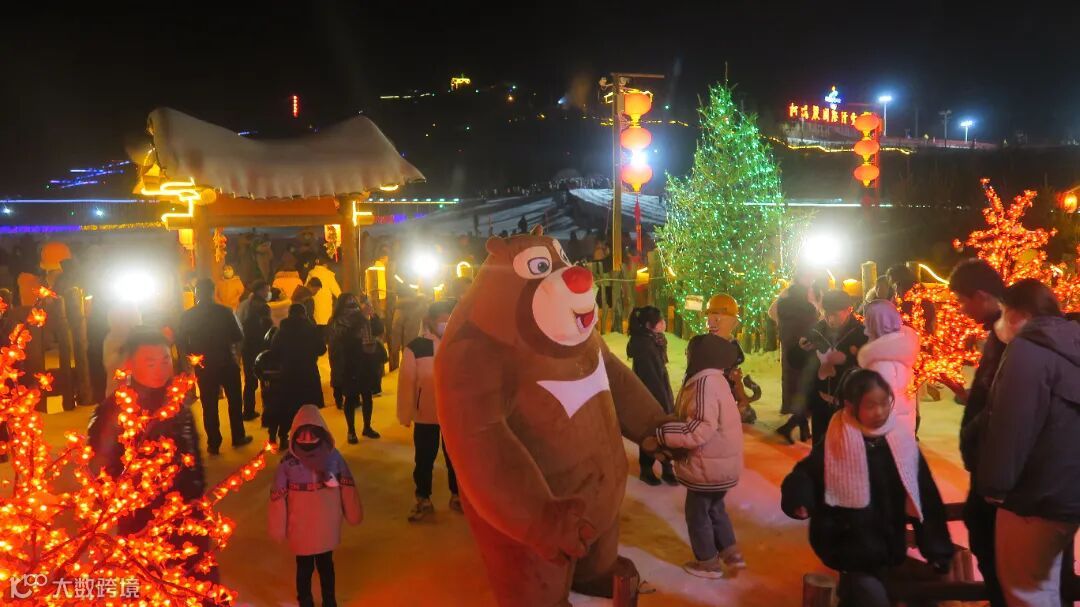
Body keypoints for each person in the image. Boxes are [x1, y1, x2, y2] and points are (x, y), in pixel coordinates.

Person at [781, 368, 954, 607]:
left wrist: (937, 550)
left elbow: (924, 496)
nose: (880, 412)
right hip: (850, 552)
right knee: (870, 598)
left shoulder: (900, 441)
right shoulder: (838, 439)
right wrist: (799, 498)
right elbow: (806, 474)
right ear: (851, 406)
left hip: (890, 549)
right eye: (871, 405)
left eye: (884, 403)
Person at [976, 279, 1080, 607]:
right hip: (1068, 493)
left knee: (1027, 591)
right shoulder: (1071, 343)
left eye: (1003, 313)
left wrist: (994, 484)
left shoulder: (1028, 350)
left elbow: (1011, 423)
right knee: (1045, 587)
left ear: (1019, 314)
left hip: (1034, 497)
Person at [88, 329, 215, 582]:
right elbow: (100, 466)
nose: (160, 369)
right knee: (149, 582)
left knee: (198, 581)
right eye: (150, 363)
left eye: (165, 360)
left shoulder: (178, 403)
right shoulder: (115, 410)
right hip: (141, 520)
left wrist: (197, 498)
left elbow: (194, 455)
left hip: (187, 513)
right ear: (130, 365)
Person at [646, 333, 746, 578]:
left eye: (690, 352)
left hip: (707, 466)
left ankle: (708, 563)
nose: (687, 356)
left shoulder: (704, 384)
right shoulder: (716, 379)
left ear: (701, 356)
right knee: (715, 508)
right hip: (721, 465)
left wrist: (663, 434)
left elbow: (699, 428)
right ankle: (730, 552)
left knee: (697, 514)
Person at [941, 258, 1008, 606]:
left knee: (997, 553)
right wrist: (972, 398)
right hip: (992, 467)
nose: (961, 309)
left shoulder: (1010, 337)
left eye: (962, 301)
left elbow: (1007, 407)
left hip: (1001, 473)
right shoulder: (999, 333)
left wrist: (977, 423)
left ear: (981, 296)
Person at [269, 405, 363, 607]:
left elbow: (277, 497)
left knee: (313, 566)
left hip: (313, 524)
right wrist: (353, 512)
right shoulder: (329, 457)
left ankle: (315, 599)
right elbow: (347, 485)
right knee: (319, 565)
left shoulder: (293, 462)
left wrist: (278, 527)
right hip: (314, 524)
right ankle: (321, 600)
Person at [397, 300, 461, 522]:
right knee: (424, 458)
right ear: (430, 321)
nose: (446, 325)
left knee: (456, 459)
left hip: (454, 415)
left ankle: (457, 495)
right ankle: (423, 498)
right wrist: (406, 413)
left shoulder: (458, 343)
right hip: (426, 414)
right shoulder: (416, 347)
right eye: (442, 321)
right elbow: (407, 382)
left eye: (450, 320)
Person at [177, 278, 252, 454]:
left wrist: (189, 359)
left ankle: (213, 443)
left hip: (203, 364)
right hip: (226, 360)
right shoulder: (224, 312)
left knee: (209, 404)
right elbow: (238, 336)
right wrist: (235, 354)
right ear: (212, 292)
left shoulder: (188, 316)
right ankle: (238, 436)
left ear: (196, 294)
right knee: (234, 401)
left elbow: (181, 341)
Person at [792, 290, 868, 443]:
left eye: (835, 314)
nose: (829, 319)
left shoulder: (861, 334)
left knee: (845, 448)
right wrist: (800, 349)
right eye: (826, 313)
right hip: (820, 402)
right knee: (821, 447)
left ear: (848, 310)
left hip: (848, 405)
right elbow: (796, 362)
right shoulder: (816, 331)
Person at [627, 306, 677, 486]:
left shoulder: (654, 340)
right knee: (651, 432)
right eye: (659, 321)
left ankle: (667, 467)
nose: (664, 323)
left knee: (664, 432)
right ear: (649, 325)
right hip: (650, 395)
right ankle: (647, 469)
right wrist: (663, 403)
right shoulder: (644, 346)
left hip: (660, 390)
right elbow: (651, 377)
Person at [857, 299, 919, 436]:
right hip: (902, 427)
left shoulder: (881, 362)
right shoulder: (900, 346)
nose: (864, 323)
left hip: (887, 433)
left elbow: (879, 404)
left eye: (867, 319)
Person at [328, 293, 384, 443]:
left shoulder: (362, 317)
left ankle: (367, 427)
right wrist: (361, 318)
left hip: (366, 360)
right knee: (350, 397)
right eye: (349, 304)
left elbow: (378, 330)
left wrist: (374, 315)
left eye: (354, 304)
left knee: (367, 395)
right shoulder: (337, 321)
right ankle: (351, 431)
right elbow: (344, 339)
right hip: (349, 363)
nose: (353, 307)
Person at [774, 274, 823, 443]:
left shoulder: (783, 304)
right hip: (805, 351)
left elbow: (775, 317)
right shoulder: (807, 307)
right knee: (807, 391)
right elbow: (814, 328)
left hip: (790, 351)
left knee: (798, 390)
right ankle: (791, 428)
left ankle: (802, 429)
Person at [268, 304, 327, 443]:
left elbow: (274, 352)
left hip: (288, 373)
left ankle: (283, 435)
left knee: (288, 406)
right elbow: (321, 349)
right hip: (308, 372)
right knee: (308, 407)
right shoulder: (310, 329)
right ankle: (307, 436)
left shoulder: (282, 331)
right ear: (304, 314)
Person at [240, 281, 273, 422]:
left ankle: (248, 411)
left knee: (250, 381)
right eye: (266, 290)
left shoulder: (245, 305)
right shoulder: (263, 307)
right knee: (265, 381)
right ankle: (268, 413)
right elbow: (266, 329)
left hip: (247, 348)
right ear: (260, 291)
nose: (268, 293)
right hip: (260, 348)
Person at [102, 301, 142, 397]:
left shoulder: (140, 336)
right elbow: (109, 364)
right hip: (117, 386)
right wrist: (121, 350)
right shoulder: (111, 339)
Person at [307, 258, 342, 331]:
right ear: (325, 264)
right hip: (325, 313)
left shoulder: (311, 274)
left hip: (312, 313)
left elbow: (305, 290)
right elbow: (338, 294)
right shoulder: (328, 275)